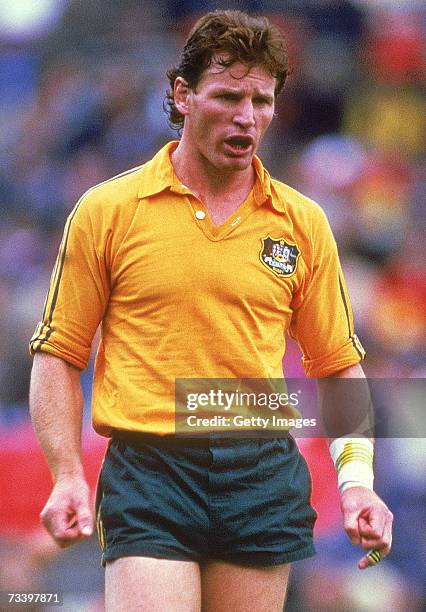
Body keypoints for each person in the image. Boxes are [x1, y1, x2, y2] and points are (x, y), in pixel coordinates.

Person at [29, 10, 393, 612]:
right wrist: (67, 472)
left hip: (261, 472)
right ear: (183, 95)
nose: (247, 117)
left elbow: (339, 367)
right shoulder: (108, 210)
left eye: (262, 100)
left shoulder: (302, 223)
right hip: (150, 472)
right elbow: (59, 354)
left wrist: (357, 486)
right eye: (227, 96)